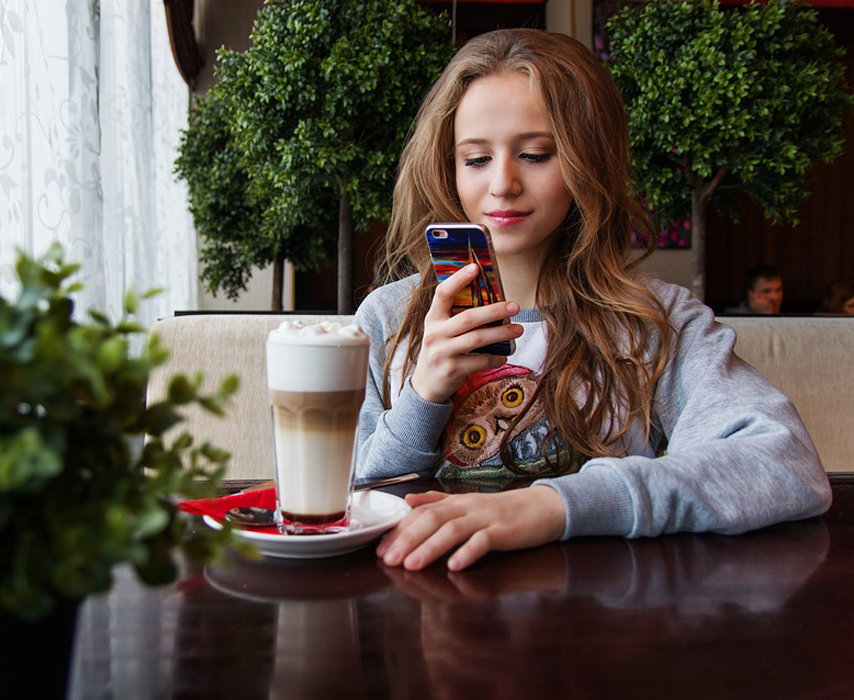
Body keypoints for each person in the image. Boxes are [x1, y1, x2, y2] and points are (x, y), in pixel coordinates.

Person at [352, 29, 831, 572]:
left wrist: (557, 504)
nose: (503, 183)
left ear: (589, 161)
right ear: (448, 166)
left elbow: (786, 464)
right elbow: (337, 501)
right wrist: (422, 398)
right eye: (477, 159)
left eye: (535, 154)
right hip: (422, 615)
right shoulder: (389, 318)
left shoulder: (656, 322)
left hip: (599, 620)